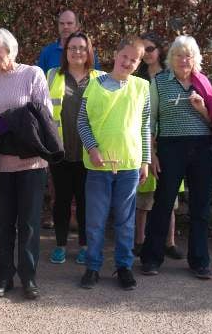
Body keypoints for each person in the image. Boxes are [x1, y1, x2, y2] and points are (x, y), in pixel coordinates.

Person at [140, 35, 212, 279]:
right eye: (179, 55)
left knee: (201, 208)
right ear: (171, 58)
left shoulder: (203, 82)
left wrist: (202, 108)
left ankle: (199, 261)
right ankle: (151, 258)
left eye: (188, 55)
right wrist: (152, 155)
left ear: (195, 59)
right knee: (163, 204)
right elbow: (150, 123)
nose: (183, 60)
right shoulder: (159, 82)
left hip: (203, 149)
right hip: (170, 149)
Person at [0, 28, 52, 300]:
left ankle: (29, 277)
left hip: (32, 163)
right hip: (1, 165)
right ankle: (3, 277)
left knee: (30, 224)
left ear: (10, 47)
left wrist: (7, 121)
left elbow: (42, 113)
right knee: (4, 223)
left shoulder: (33, 74)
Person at [77, 36, 151, 291]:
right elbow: (82, 122)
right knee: (95, 220)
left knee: (125, 220)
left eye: (134, 60)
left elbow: (145, 126)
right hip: (99, 167)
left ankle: (124, 267)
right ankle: (93, 267)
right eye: (124, 57)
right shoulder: (94, 85)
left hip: (129, 165)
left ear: (139, 63)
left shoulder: (141, 88)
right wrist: (92, 148)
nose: (128, 62)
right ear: (116, 55)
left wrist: (145, 161)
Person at [47, 31, 105, 266]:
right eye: (72, 48)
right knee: (60, 202)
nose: (77, 51)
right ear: (66, 51)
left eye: (82, 47)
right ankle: (60, 245)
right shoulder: (52, 75)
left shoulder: (100, 78)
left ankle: (84, 245)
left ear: (89, 51)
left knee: (85, 202)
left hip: (88, 153)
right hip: (60, 152)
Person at [134, 32, 184, 260]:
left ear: (160, 50)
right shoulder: (137, 76)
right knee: (144, 198)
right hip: (143, 141)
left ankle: (169, 242)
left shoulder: (170, 75)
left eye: (150, 49)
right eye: (143, 50)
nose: (146, 54)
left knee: (168, 198)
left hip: (168, 142)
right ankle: (140, 241)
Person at [37, 9, 101, 75]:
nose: (65, 26)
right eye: (62, 23)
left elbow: (97, 80)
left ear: (77, 26)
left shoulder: (88, 52)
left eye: (69, 23)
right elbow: (39, 81)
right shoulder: (47, 52)